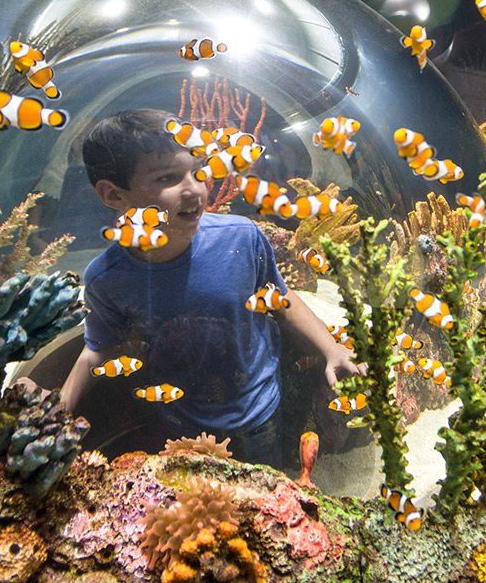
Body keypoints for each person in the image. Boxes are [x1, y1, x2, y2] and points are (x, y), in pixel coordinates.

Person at [59, 108, 363, 467]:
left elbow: (281, 299)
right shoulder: (106, 278)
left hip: (259, 412)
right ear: (112, 194)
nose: (194, 190)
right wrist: (60, 408)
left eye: (199, 171)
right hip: (177, 418)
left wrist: (331, 349)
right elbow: (98, 348)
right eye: (168, 178)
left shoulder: (241, 237)